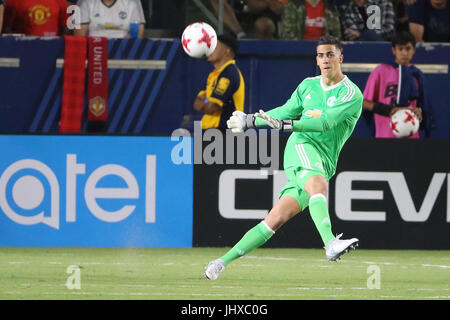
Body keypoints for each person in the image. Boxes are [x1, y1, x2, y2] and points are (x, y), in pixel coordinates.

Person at [204, 35, 362, 280]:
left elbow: (324, 122)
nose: (325, 60)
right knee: (318, 185)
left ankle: (221, 262)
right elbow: (286, 110)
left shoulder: (350, 93)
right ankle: (330, 243)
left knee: (275, 219)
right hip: (301, 147)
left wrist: (285, 124)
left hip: (324, 159)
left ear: (340, 58)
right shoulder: (308, 85)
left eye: (330, 54)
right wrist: (250, 120)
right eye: (320, 55)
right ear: (317, 60)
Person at [362, 31, 435, 138]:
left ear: (414, 50)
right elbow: (364, 103)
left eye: (408, 48)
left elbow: (423, 106)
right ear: (394, 50)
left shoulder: (417, 75)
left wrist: (419, 112)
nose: (404, 53)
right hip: (385, 135)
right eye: (400, 49)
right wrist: (390, 110)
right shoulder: (380, 71)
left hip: (412, 136)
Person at [194, 34, 245, 131]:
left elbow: (211, 107)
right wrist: (206, 102)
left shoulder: (228, 74)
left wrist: (205, 102)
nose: (209, 49)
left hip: (223, 134)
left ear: (227, 52)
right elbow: (198, 104)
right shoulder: (216, 74)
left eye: (214, 46)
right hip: (214, 133)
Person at [74, 0, 146, 38]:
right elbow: (80, 34)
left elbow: (137, 32)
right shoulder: (87, 3)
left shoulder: (131, 3)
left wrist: (120, 46)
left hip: (123, 48)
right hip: (94, 48)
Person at [3, 0, 70, 36]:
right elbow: (6, 29)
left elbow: (65, 29)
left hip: (52, 50)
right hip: (22, 49)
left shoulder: (61, 2)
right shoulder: (13, 1)